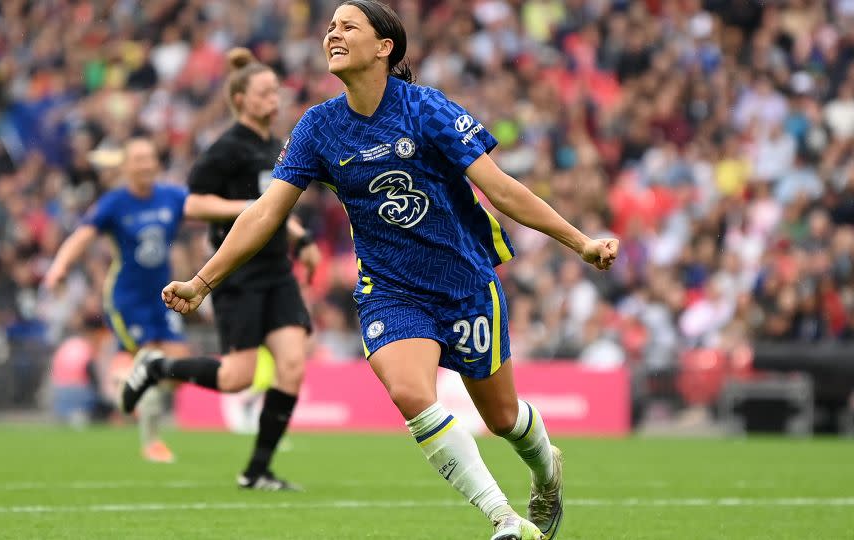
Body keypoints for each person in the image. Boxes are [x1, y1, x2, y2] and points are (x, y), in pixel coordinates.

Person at [128, 1, 618, 538]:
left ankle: (547, 471)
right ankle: (504, 519)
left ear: (384, 47)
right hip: (390, 291)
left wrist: (581, 242)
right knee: (412, 394)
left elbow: (500, 188)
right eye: (330, 26)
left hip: (466, 285)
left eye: (348, 26)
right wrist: (202, 281)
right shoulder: (318, 127)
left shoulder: (426, 109)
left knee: (503, 420)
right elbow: (267, 210)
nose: (333, 34)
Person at [131, 47, 319, 490]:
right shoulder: (227, 147)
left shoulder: (276, 145)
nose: (275, 98)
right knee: (237, 378)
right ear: (240, 99)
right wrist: (249, 208)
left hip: (277, 269)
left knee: (292, 364)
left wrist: (300, 237)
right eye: (264, 92)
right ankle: (158, 368)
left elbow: (277, 205)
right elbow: (192, 203)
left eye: (276, 90)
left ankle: (257, 471)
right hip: (239, 274)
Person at [43, 137, 243, 463]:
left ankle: (133, 391)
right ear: (125, 166)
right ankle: (135, 412)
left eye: (150, 158)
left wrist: (254, 206)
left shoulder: (169, 196)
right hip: (126, 299)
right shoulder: (114, 203)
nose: (146, 165)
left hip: (162, 296)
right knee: (142, 356)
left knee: (177, 364)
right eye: (138, 159)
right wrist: (59, 267)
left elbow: (204, 206)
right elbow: (82, 235)